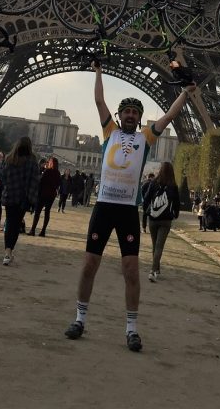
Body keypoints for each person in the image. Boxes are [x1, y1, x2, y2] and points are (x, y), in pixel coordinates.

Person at [63, 57, 196, 352]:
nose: (131, 116)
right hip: (104, 206)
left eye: (136, 112)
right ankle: (80, 318)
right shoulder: (109, 132)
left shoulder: (145, 138)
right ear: (120, 115)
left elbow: (170, 117)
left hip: (126, 211)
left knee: (132, 269)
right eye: (127, 112)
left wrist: (186, 92)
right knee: (89, 266)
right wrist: (98, 71)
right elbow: (99, 101)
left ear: (139, 118)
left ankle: (131, 328)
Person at [1, 136, 40, 266]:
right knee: (16, 225)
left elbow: (4, 178)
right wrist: (33, 200)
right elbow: (35, 182)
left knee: (9, 224)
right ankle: (9, 251)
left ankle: (7, 251)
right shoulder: (32, 161)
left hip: (10, 196)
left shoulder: (9, 159)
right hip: (23, 199)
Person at [142, 160, 180, 281]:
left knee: (155, 245)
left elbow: (146, 198)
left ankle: (155, 269)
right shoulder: (173, 186)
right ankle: (154, 270)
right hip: (166, 219)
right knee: (159, 246)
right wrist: (175, 213)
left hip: (153, 218)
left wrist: (146, 210)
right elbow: (177, 203)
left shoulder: (153, 183)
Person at [29, 155, 61, 237]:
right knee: (47, 212)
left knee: (38, 212)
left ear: (51, 163)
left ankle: (33, 230)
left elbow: (41, 181)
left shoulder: (47, 171)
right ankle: (43, 231)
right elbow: (58, 184)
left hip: (43, 194)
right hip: (51, 195)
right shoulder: (58, 173)